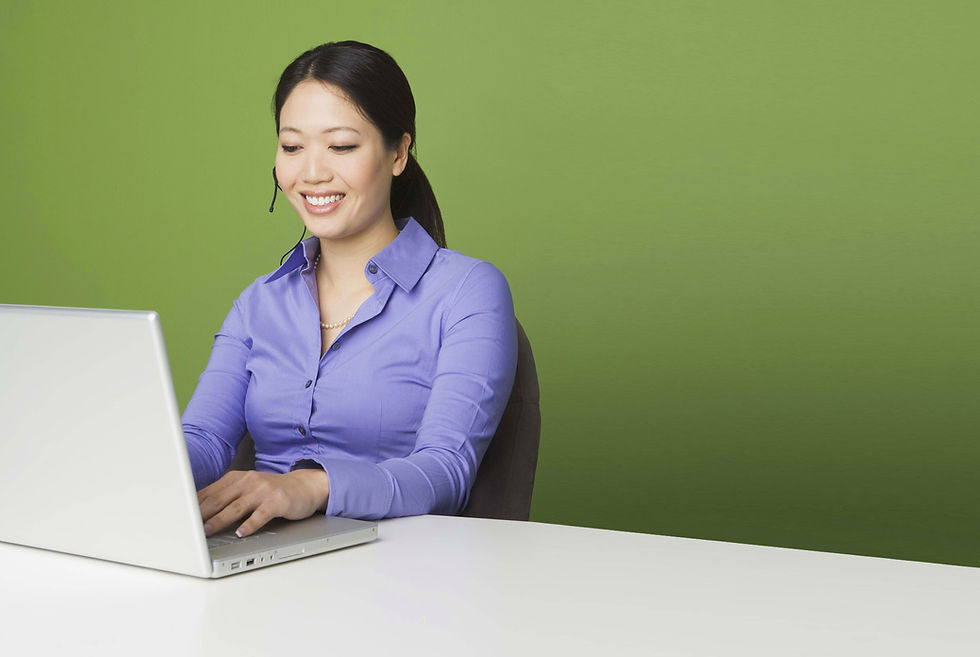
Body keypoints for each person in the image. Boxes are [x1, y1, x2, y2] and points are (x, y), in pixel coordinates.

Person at [181, 41, 518, 539]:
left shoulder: (467, 290)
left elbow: (445, 471)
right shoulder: (259, 303)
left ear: (398, 152)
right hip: (255, 554)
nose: (312, 173)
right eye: (292, 147)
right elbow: (206, 440)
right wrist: (133, 464)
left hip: (398, 570)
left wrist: (310, 487)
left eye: (341, 146)